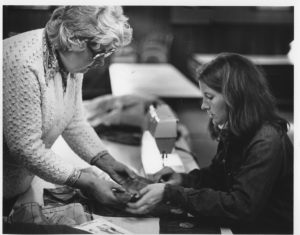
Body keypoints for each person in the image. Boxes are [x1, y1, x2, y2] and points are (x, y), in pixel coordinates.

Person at [126, 53, 293, 234]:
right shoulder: (238, 129)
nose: (203, 106)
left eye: (209, 97)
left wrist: (172, 193)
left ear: (234, 97)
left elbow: (240, 206)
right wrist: (181, 179)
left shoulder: (266, 140)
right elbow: (216, 177)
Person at [3, 6, 136, 215]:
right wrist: (88, 182)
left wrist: (108, 163)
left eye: (107, 53)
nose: (101, 62)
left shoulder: (70, 59)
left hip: (15, 186)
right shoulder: (23, 62)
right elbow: (26, 148)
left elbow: (74, 121)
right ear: (75, 41)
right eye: (99, 52)